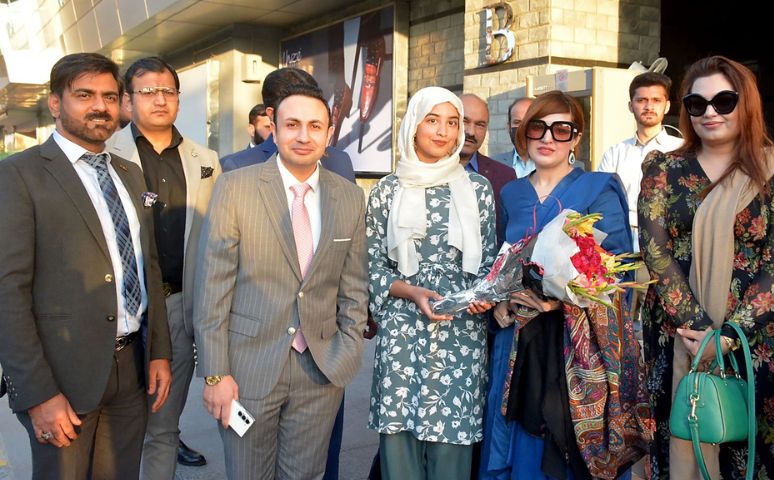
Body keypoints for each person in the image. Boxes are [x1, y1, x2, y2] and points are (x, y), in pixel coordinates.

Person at [0, 52, 172, 479]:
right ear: (56, 103)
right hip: (62, 378)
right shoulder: (19, 176)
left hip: (131, 372)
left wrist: (160, 353)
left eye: (110, 97)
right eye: (84, 95)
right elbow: (7, 292)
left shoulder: (129, 174)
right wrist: (38, 394)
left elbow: (148, 267)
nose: (100, 106)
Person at [194, 83, 369, 479]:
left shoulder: (349, 197)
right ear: (273, 127)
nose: (303, 136)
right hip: (247, 369)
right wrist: (216, 374)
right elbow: (213, 289)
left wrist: (348, 350)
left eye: (314, 126)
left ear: (329, 133)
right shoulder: (235, 187)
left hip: (321, 368)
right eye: (292, 124)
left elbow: (354, 285)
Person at [639, 55, 774, 479]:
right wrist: (699, 331)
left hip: (753, 339)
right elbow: (655, 250)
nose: (710, 112)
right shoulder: (663, 169)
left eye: (724, 101)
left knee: (752, 454)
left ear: (746, 105)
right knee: (684, 432)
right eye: (697, 104)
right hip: (679, 337)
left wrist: (728, 335)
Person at [481, 90, 650, 480]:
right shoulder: (512, 193)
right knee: (518, 446)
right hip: (518, 340)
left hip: (575, 347)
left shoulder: (598, 187)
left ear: (576, 139)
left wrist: (562, 301)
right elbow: (502, 263)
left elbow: (617, 271)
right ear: (524, 134)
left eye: (561, 130)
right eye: (537, 127)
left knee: (569, 454)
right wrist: (501, 303)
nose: (547, 138)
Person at [367, 86, 496, 479]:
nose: (443, 131)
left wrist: (484, 297)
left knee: (451, 451)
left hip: (461, 335)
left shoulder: (478, 190)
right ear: (413, 125)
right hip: (403, 332)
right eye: (433, 120)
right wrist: (412, 291)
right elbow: (371, 268)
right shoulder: (387, 190)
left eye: (452, 122)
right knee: (400, 447)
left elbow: (489, 265)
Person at [105, 56, 220, 477]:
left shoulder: (206, 159)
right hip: (122, 310)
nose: (159, 100)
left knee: (163, 425)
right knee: (114, 428)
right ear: (127, 101)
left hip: (179, 306)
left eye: (167, 91)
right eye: (147, 91)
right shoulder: (105, 154)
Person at [219, 67, 354, 182]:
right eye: (293, 123)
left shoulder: (341, 161)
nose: (304, 138)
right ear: (272, 115)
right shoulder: (238, 167)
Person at [598, 71, 683, 252]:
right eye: (641, 100)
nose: (648, 106)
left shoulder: (682, 151)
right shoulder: (614, 154)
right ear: (630, 105)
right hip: (621, 243)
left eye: (656, 100)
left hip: (669, 244)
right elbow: (602, 204)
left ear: (667, 106)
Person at [459, 93, 516, 231]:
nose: (471, 132)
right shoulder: (424, 173)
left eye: (480, 125)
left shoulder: (505, 177)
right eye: (464, 121)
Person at [495, 96, 535, 178]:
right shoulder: (494, 164)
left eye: (529, 122)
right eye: (517, 122)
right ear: (509, 127)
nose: (523, 129)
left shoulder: (555, 164)